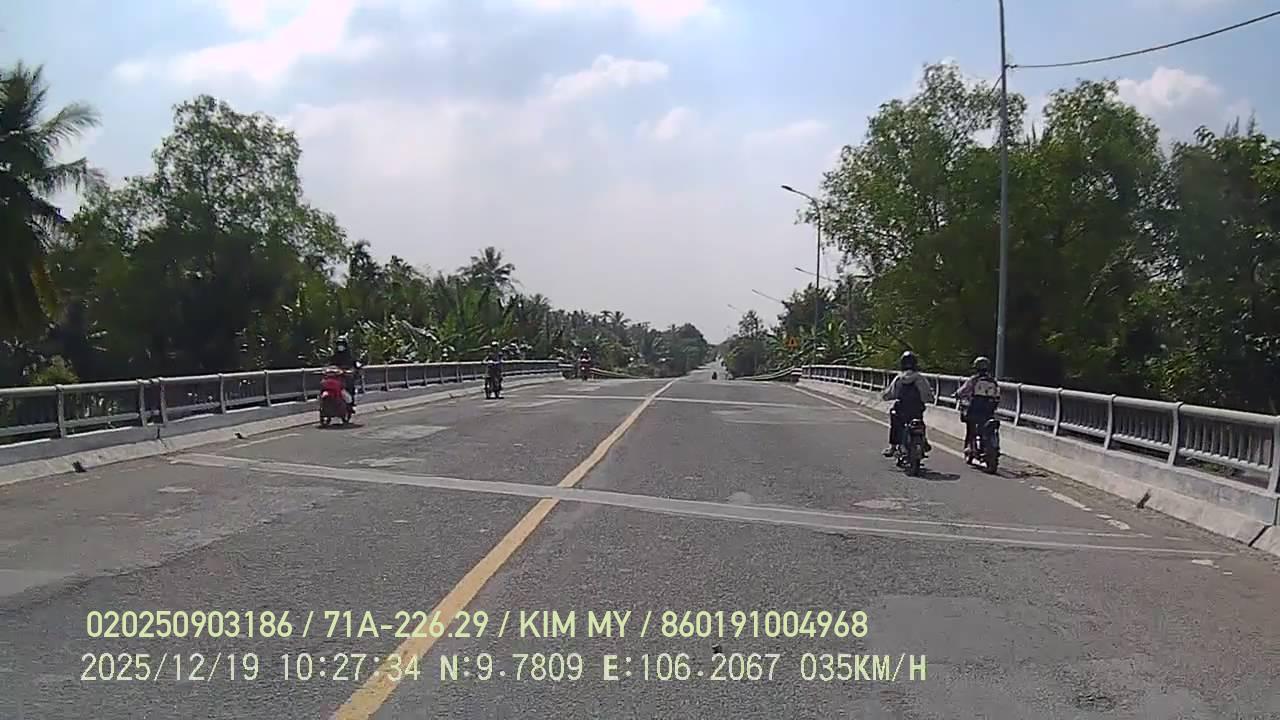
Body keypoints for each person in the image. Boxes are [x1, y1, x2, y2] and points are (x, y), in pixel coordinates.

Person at [881, 350, 934, 457]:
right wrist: (930, 399)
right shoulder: (920, 378)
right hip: (916, 408)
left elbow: (891, 393)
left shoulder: (899, 378)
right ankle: (923, 441)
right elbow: (926, 394)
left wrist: (885, 396)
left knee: (895, 423)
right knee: (919, 422)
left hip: (902, 408)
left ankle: (893, 447)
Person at [956, 355, 1001, 454]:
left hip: (976, 408)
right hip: (989, 409)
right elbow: (997, 394)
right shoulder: (992, 381)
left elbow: (963, 390)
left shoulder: (974, 380)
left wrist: (957, 394)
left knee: (971, 426)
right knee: (988, 425)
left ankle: (970, 447)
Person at [328, 335, 359, 409]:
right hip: (336, 376)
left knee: (350, 384)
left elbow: (354, 365)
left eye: (342, 344)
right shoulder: (334, 355)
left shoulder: (349, 356)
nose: (340, 346)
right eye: (339, 344)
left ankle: (351, 403)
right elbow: (330, 364)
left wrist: (350, 370)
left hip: (346, 376)